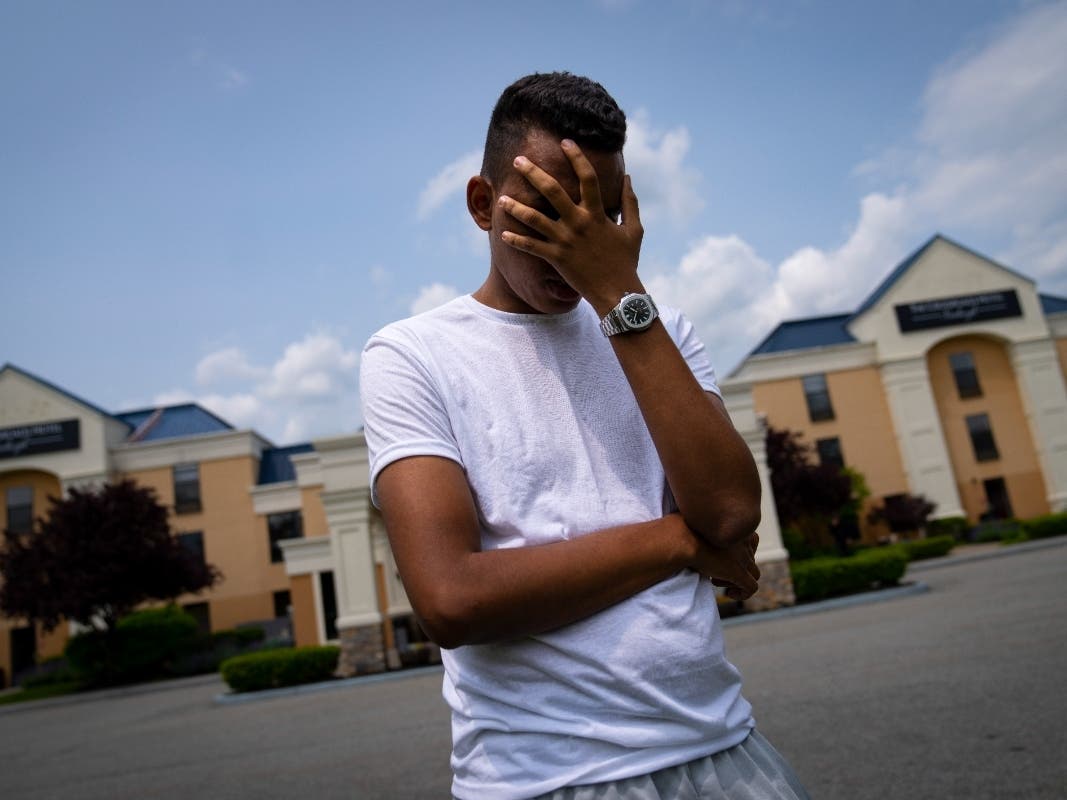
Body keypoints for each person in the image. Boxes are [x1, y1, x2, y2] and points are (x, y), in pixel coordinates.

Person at [360, 72, 809, 800]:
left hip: (726, 749)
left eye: (596, 215)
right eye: (549, 212)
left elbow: (729, 512)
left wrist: (618, 296)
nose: (574, 243)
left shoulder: (657, 332)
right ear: (483, 204)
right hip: (546, 780)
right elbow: (451, 599)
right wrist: (679, 543)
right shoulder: (411, 356)